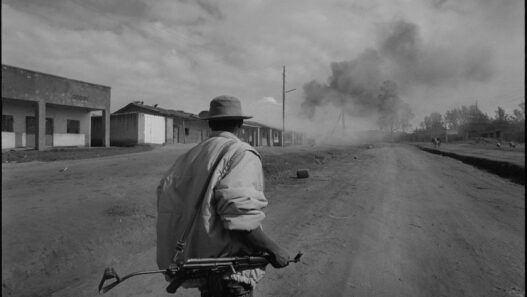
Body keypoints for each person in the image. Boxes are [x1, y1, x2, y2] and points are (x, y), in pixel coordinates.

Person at [156, 95, 290, 297]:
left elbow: (167, 202)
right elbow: (240, 217)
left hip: (205, 270)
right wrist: (273, 249)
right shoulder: (241, 153)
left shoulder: (189, 156)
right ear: (240, 123)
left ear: (210, 123)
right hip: (231, 275)